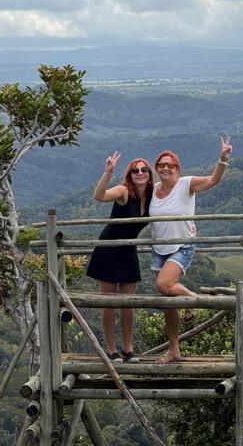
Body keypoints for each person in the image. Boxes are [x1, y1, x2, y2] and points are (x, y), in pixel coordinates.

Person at [149, 137, 232, 364]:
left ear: (178, 168)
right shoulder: (153, 190)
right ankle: (174, 349)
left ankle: (193, 298)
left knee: (164, 285)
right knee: (168, 301)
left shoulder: (186, 184)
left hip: (182, 245)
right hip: (159, 249)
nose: (165, 168)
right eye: (161, 165)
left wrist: (223, 159)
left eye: (170, 165)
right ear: (157, 169)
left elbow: (213, 180)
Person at [86, 152, 154, 362]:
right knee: (109, 303)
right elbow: (100, 196)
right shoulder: (125, 191)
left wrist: (191, 227)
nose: (140, 173)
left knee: (128, 303)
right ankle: (112, 349)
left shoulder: (153, 197)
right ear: (130, 175)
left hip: (128, 249)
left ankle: (128, 348)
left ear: (150, 175)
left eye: (144, 170)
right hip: (109, 247)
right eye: (135, 170)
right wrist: (107, 173)